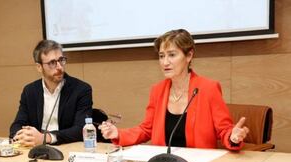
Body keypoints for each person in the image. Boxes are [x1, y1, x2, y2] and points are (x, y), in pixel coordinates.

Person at [99, 29, 248, 150]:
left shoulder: (208, 88)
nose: (165, 62)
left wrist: (232, 137)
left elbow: (224, 129)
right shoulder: (157, 90)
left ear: (189, 55)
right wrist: (118, 133)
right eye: (161, 56)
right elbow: (147, 129)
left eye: (172, 55)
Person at [9, 40, 93, 146]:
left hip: (66, 146)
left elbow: (81, 129)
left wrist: (47, 137)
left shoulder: (81, 89)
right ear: (39, 67)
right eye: (52, 63)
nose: (59, 67)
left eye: (61, 60)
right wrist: (22, 136)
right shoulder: (30, 91)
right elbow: (17, 124)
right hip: (36, 147)